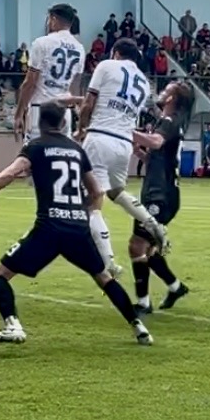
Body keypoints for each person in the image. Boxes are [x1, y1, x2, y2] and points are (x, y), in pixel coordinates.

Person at [0, 104, 153, 347]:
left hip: (49, 228)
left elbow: (10, 173)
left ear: (40, 122)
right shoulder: (77, 150)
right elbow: (96, 191)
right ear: (63, 123)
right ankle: (139, 328)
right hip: (78, 228)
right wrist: (81, 214)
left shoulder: (36, 146)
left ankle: (13, 326)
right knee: (104, 277)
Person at [79, 38, 161, 267]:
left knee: (92, 200)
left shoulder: (106, 66)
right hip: (124, 143)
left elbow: (89, 102)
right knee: (116, 191)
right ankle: (152, 223)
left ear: (115, 52)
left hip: (100, 136)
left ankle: (109, 263)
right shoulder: (144, 82)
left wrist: (81, 129)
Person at [129, 80, 195, 315]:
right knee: (147, 249)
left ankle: (143, 303)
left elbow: (156, 142)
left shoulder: (169, 121)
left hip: (159, 194)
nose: (161, 92)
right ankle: (175, 287)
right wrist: (138, 151)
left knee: (137, 245)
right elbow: (156, 158)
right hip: (163, 192)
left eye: (166, 90)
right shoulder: (171, 122)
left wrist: (126, 131)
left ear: (171, 99)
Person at [17, 3, 85, 142]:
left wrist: (19, 114)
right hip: (64, 111)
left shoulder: (42, 43)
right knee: (60, 152)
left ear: (53, 19)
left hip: (41, 108)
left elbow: (30, 82)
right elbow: (75, 87)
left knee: (33, 152)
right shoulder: (80, 48)